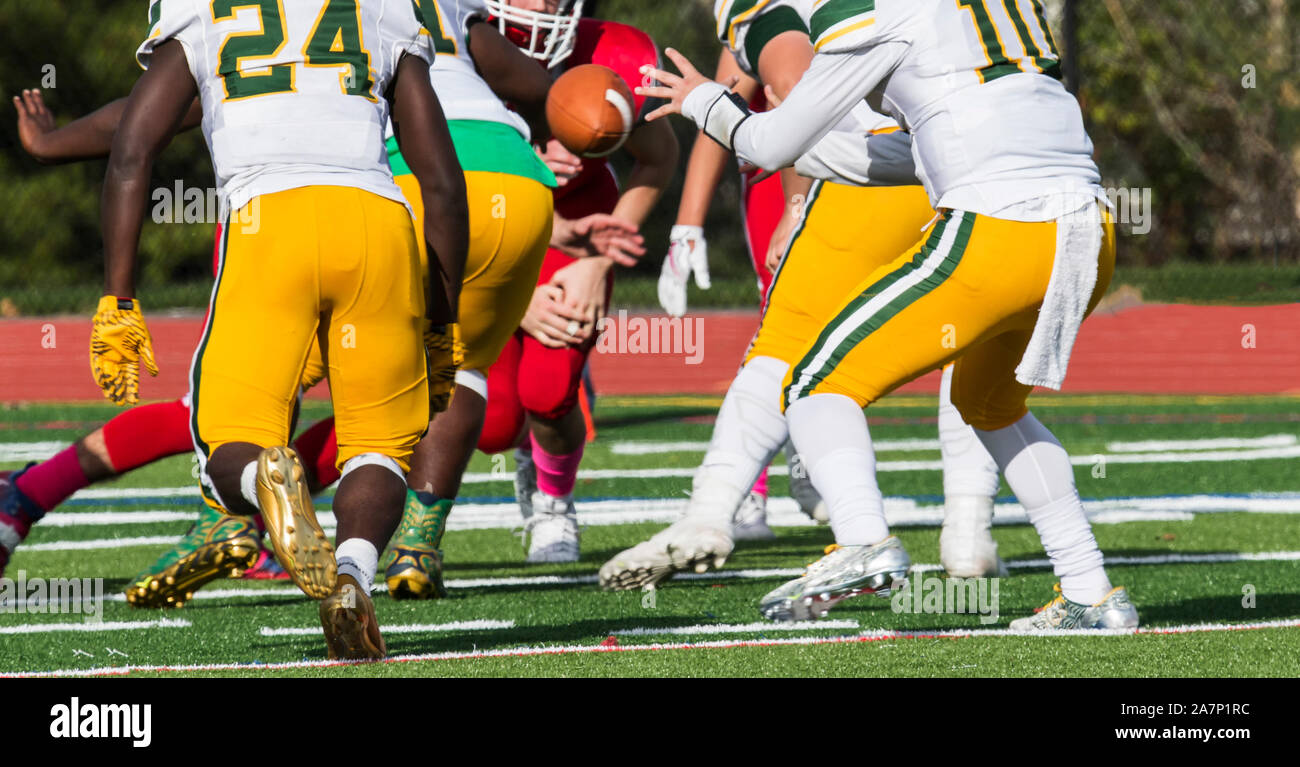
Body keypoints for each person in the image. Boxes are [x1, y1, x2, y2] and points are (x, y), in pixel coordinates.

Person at [636, 0, 1138, 631]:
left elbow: (770, 141)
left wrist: (704, 102)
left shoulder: (879, 11)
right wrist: (818, 152)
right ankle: (1092, 593)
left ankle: (862, 540)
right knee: (992, 407)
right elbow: (916, 151)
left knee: (814, 382)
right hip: (1089, 232)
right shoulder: (1005, 12)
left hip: (998, 229)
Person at [90, 0, 468, 656]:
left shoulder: (201, 7)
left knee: (225, 446)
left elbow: (132, 149)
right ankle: (351, 578)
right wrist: (442, 321)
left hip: (270, 218)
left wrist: (119, 299)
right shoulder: (381, 8)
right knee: (378, 445)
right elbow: (440, 181)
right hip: (375, 220)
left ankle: (266, 478)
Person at [599, 0, 1003, 592]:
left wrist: (793, 202)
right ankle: (969, 530)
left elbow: (795, 90)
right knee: (975, 341)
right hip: (991, 165)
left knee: (787, 345)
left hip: (873, 170)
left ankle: (712, 514)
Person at [475, 0, 678, 563]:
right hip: (481, 235)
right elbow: (431, 187)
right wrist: (511, 302)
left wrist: (599, 261)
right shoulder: (448, 53)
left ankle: (554, 500)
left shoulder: (610, 53)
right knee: (490, 427)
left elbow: (658, 158)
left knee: (548, 391)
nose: (541, 5)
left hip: (580, 232)